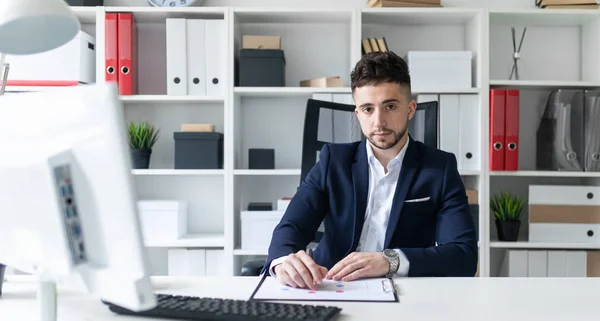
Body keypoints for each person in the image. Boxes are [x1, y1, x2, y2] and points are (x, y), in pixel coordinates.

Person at [263, 51, 478, 289]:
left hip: (402, 292)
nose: (378, 121)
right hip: (329, 284)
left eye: (390, 106)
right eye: (367, 109)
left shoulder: (440, 169)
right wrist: (283, 263)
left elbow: (463, 255)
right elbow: (291, 227)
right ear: (357, 113)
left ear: (410, 109)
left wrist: (389, 261)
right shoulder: (332, 161)